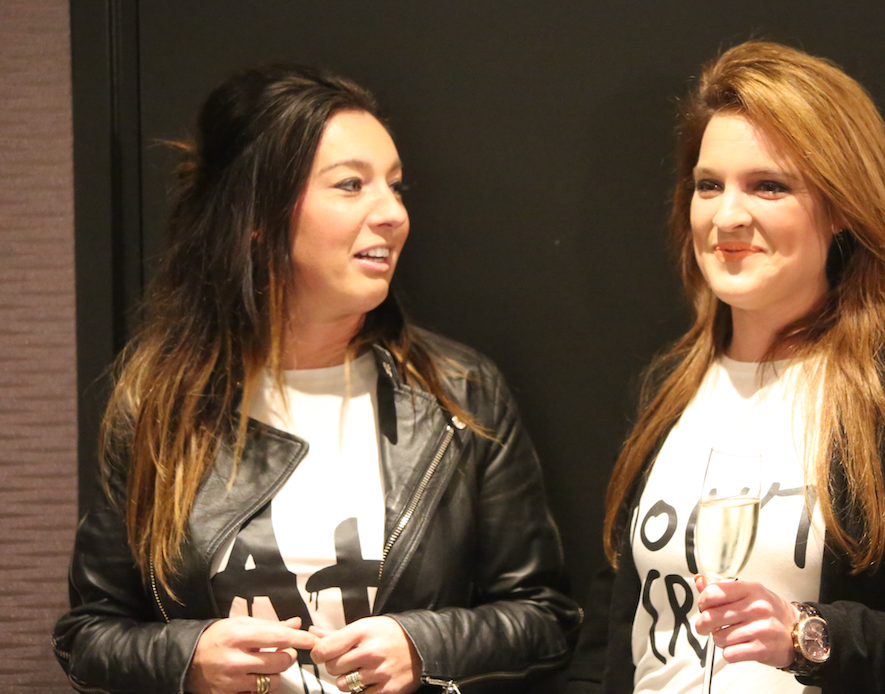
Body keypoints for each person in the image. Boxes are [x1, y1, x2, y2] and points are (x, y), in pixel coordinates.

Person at [54, 64, 580, 694]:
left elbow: (546, 620)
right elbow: (89, 636)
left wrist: (424, 647)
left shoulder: (460, 392)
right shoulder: (158, 404)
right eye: (351, 185)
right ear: (258, 214)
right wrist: (188, 658)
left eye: (396, 186)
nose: (393, 213)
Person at [566, 41, 885, 693]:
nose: (727, 216)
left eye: (769, 185)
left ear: (842, 206)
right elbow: (608, 636)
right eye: (709, 185)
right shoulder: (667, 388)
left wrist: (808, 636)